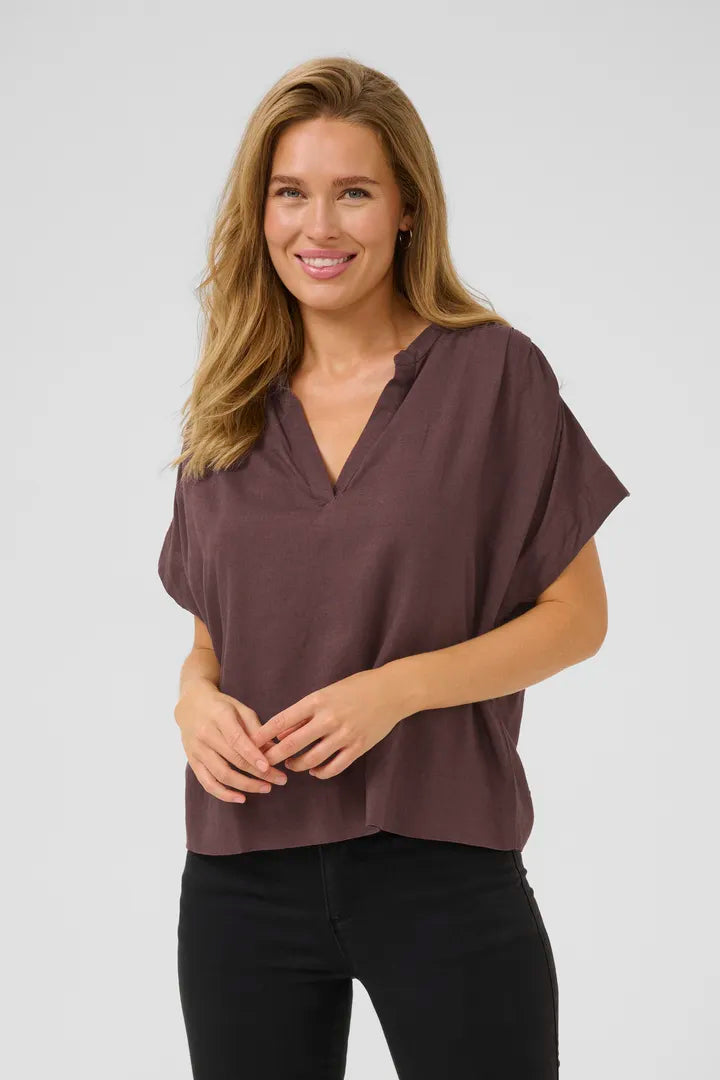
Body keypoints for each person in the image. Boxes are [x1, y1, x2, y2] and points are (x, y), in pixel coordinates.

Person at [157, 56, 630, 1080]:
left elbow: (577, 616)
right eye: (291, 192)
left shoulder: (493, 374)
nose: (318, 226)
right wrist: (192, 700)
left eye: (354, 193)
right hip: (240, 878)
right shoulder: (229, 399)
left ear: (408, 208)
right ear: (260, 211)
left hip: (441, 863)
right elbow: (212, 635)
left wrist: (396, 691)